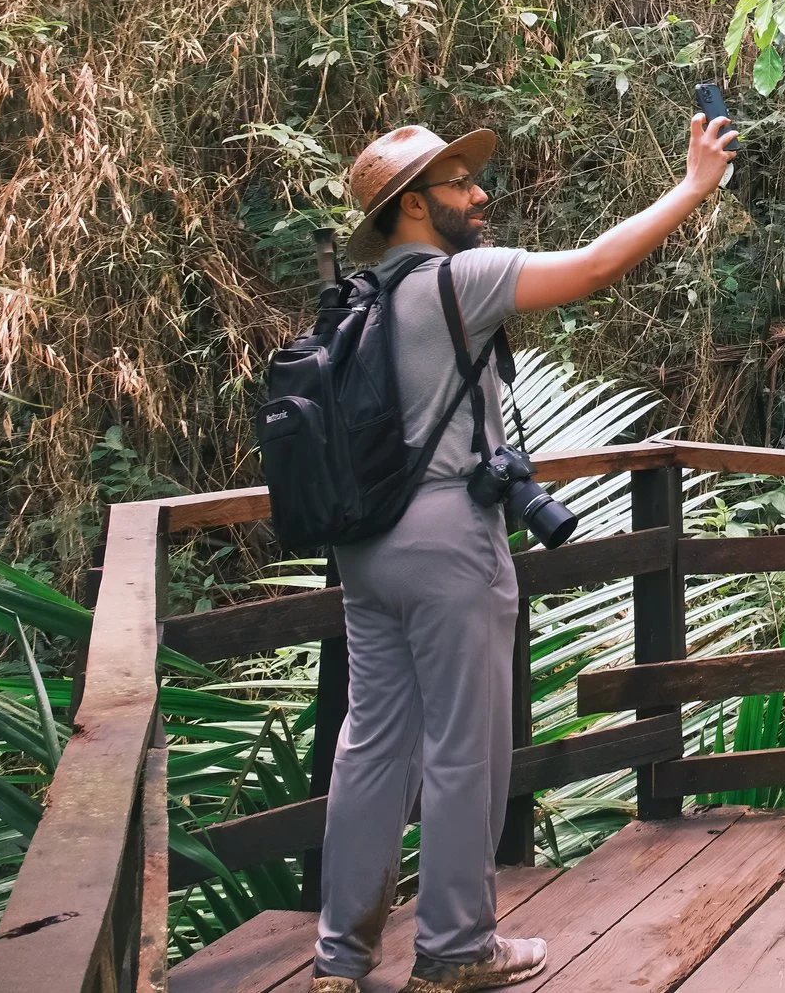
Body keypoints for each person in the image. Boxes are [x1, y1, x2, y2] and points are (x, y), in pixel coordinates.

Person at [312, 111, 736, 993]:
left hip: (365, 549)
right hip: (447, 546)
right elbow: (594, 266)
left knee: (372, 746)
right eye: (459, 184)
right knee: (464, 746)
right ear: (415, 206)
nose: (480, 194)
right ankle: (455, 948)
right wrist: (694, 184)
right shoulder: (460, 281)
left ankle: (339, 961)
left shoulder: (363, 299)